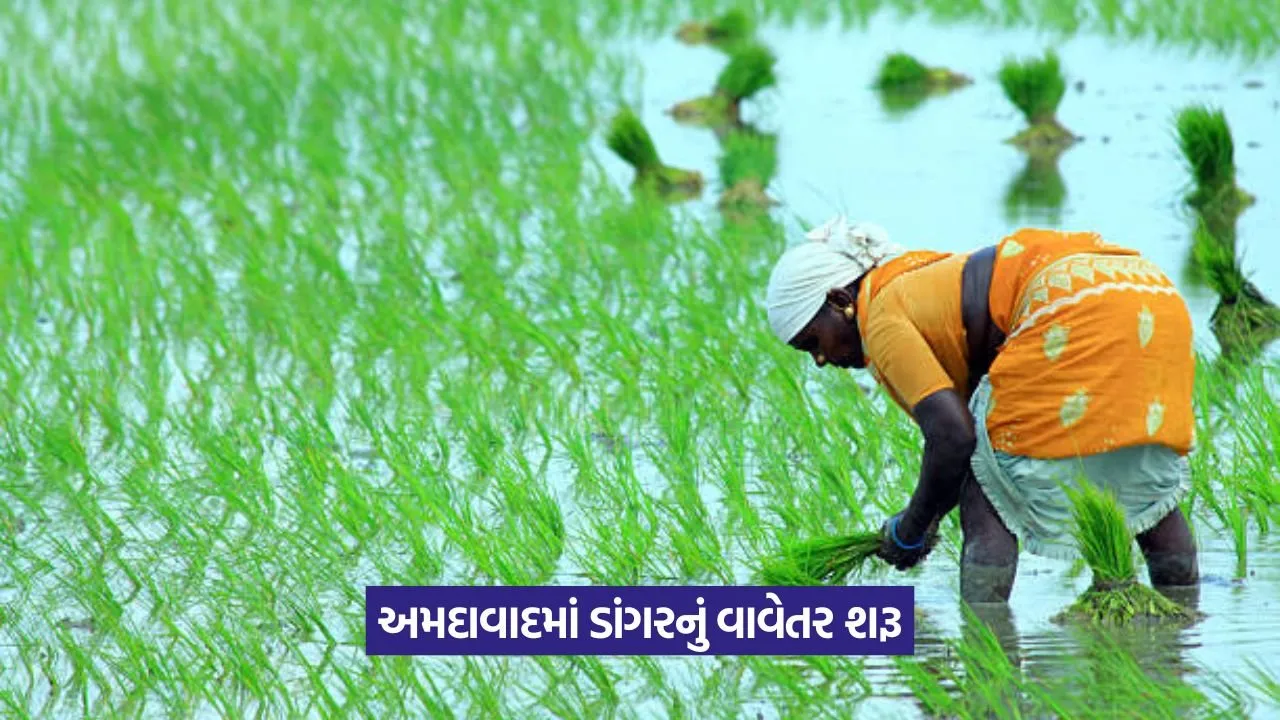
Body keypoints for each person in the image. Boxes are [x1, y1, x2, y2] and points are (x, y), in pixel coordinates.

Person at [764, 215, 1200, 604]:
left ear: (841, 301)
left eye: (812, 343)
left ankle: (986, 638)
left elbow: (954, 439)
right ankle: (1183, 612)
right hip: (1145, 293)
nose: (820, 360)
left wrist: (910, 528)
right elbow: (961, 433)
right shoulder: (920, 275)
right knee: (1135, 464)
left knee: (984, 481)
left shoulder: (880, 316)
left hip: (1070, 302)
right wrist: (926, 517)